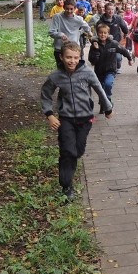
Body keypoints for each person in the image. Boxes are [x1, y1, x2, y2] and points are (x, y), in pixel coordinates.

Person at [41, 41, 113, 201]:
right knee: (68, 151)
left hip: (85, 119)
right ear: (61, 57)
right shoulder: (56, 76)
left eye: (75, 57)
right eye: (68, 57)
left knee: (77, 151)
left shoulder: (87, 73)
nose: (72, 61)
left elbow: (99, 89)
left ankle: (68, 165)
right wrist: (49, 114)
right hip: (66, 119)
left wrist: (108, 107)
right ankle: (67, 186)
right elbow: (45, 94)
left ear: (79, 57)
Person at [87, 23, 132, 101]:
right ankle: (103, 102)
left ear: (108, 34)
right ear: (97, 34)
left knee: (108, 84)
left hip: (110, 70)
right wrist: (96, 49)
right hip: (99, 71)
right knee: (101, 89)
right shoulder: (94, 45)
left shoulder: (113, 43)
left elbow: (123, 50)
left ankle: (108, 99)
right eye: (100, 33)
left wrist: (129, 58)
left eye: (105, 33)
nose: (103, 35)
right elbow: (92, 60)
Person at [49, 0, 92, 68]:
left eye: (71, 9)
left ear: (75, 9)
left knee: (74, 71)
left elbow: (86, 27)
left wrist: (88, 33)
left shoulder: (78, 19)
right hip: (60, 49)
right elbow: (51, 32)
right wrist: (60, 34)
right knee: (62, 71)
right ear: (63, 7)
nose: (69, 11)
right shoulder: (57, 17)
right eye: (67, 9)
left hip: (74, 49)